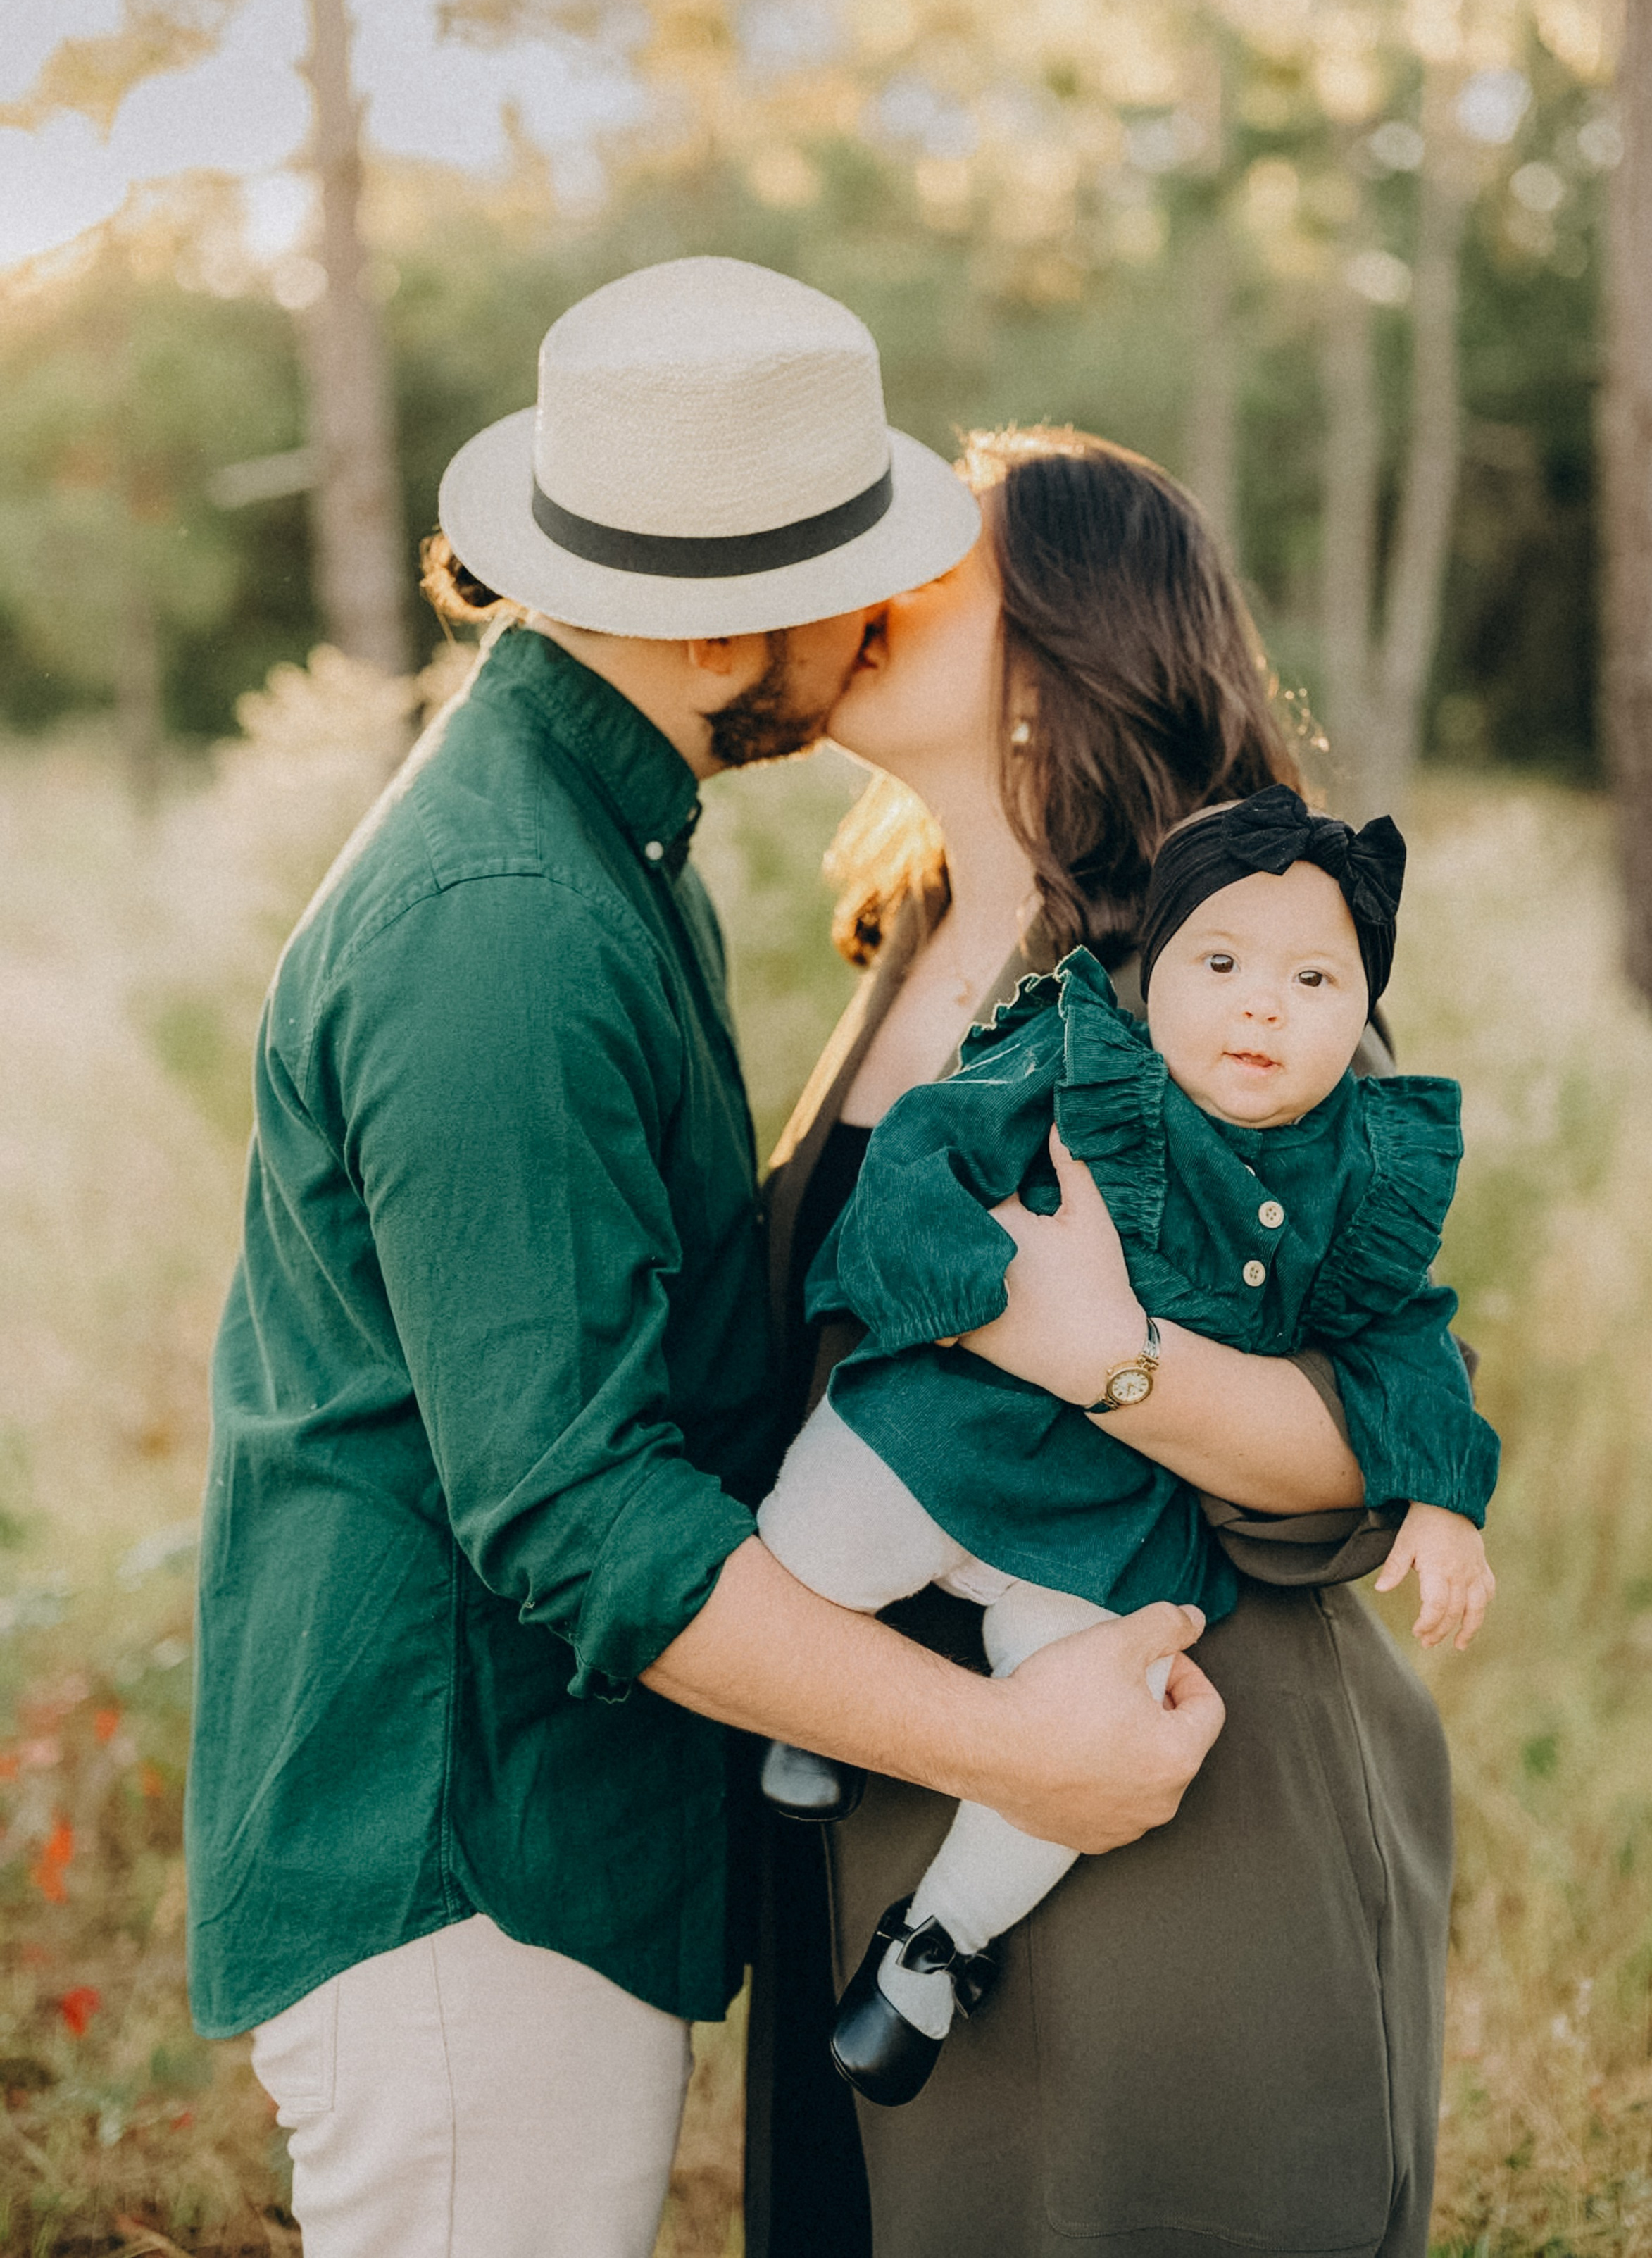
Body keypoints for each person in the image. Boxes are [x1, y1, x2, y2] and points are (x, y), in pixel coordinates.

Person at [184, 266, 1221, 2258]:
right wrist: (1016, 1751)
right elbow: (575, 1509)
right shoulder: (504, 921)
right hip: (471, 1850)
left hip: (549, 1825)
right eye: (864, 575)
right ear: (739, 612)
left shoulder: (604, 852)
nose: (879, 620)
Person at [748, 428, 1467, 2258]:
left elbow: (1359, 1436)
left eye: (933, 565)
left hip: (1177, 1836)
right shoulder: (919, 929)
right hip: (890, 1791)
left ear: (1067, 639)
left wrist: (1108, 1353)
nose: (866, 592)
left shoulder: (1223, 965)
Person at [756, 785, 1498, 2102]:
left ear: (1363, 1009)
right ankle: (811, 1715)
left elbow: (1407, 1343)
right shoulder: (1075, 1053)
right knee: (825, 1504)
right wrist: (965, 1296)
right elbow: (920, 1154)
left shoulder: (1357, 1174)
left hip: (1106, 1530)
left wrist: (1445, 1501)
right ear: (1155, 971)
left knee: (1112, 1722)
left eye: (1315, 978)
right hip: (955, 1429)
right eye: (1220, 965)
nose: (1262, 1005)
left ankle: (933, 1948)